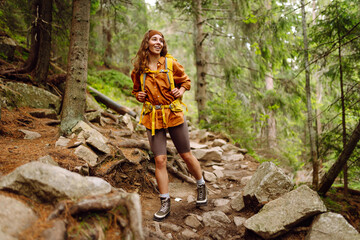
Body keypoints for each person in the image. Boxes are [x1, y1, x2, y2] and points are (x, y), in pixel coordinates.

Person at [131, 30, 207, 221]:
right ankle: (165, 202)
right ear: (146, 42)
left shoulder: (170, 63)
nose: (158, 42)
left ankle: (201, 185)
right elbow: (136, 90)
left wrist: (180, 90)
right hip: (153, 117)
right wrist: (138, 96)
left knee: (186, 154)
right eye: (154, 39)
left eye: (161, 40)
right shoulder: (139, 69)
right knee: (160, 160)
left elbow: (186, 81)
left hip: (173, 113)